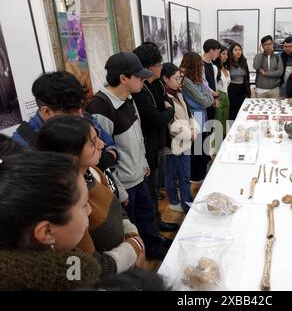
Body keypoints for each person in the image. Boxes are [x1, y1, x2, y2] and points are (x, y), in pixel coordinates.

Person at [36, 115, 146, 279]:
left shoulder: (92, 171)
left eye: (98, 138)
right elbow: (93, 268)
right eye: (93, 143)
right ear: (71, 155)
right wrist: (135, 246)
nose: (102, 145)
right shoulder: (67, 208)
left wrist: (132, 235)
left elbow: (117, 207)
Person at [86, 52, 168, 260]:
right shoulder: (100, 107)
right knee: (132, 226)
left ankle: (155, 248)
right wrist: (120, 190)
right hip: (124, 183)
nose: (144, 80)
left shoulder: (130, 99)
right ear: (123, 78)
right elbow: (101, 158)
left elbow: (138, 136)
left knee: (147, 216)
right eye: (139, 77)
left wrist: (144, 162)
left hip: (138, 174)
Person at [0, 151, 100, 290]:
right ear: (47, 232)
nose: (90, 210)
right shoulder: (72, 280)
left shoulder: (71, 268)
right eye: (83, 205)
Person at [11, 71, 119, 172]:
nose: (80, 116)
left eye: (80, 108)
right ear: (47, 111)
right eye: (71, 113)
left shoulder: (85, 117)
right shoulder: (20, 147)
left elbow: (111, 146)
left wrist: (107, 158)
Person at [132, 42, 179, 233]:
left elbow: (168, 104)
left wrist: (165, 111)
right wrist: (166, 112)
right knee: (150, 190)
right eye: (159, 64)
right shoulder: (140, 90)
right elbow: (156, 118)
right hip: (147, 146)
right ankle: (151, 229)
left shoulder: (158, 84)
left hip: (159, 142)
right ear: (150, 68)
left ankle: (157, 222)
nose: (162, 67)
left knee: (156, 188)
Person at [161, 62, 200, 213]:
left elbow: (189, 115)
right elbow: (172, 125)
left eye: (180, 78)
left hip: (185, 143)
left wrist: (194, 129)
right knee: (171, 176)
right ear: (165, 78)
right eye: (176, 78)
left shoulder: (179, 93)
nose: (179, 82)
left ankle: (187, 202)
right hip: (173, 145)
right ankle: (174, 202)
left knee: (185, 175)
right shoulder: (164, 98)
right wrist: (190, 134)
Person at [180, 52, 213, 184]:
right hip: (195, 117)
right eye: (200, 64)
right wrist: (207, 93)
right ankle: (196, 178)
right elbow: (205, 101)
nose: (202, 66)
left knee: (203, 148)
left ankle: (202, 175)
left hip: (201, 116)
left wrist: (206, 94)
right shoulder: (187, 81)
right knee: (197, 150)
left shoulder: (196, 79)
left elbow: (205, 99)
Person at [213, 45, 231, 151]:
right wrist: (216, 98)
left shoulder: (226, 68)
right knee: (218, 126)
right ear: (218, 54)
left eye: (227, 54)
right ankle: (215, 150)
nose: (225, 56)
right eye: (223, 54)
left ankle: (222, 149)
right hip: (219, 96)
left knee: (224, 126)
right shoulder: (215, 68)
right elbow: (212, 85)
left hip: (226, 97)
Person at [228, 42, 251, 120]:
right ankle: (231, 128)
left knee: (241, 110)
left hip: (242, 88)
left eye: (239, 50)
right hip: (231, 89)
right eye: (235, 50)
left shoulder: (243, 61)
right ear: (231, 52)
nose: (238, 52)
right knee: (232, 111)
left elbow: (247, 77)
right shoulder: (228, 62)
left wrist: (248, 91)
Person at [202, 39, 221, 120]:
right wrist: (213, 94)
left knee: (210, 126)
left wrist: (215, 98)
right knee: (203, 129)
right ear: (211, 50)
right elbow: (203, 84)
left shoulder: (211, 64)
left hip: (211, 100)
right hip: (203, 101)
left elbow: (214, 83)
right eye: (218, 52)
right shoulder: (200, 64)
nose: (218, 55)